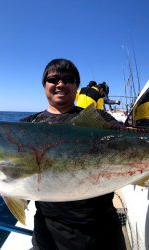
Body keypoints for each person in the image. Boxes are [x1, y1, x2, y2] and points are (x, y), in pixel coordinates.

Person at [21, 58, 126, 250]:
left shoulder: (99, 118)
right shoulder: (27, 126)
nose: (60, 84)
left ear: (77, 86)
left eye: (68, 79)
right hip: (52, 233)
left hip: (103, 228)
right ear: (44, 85)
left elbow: (130, 143)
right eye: (53, 79)